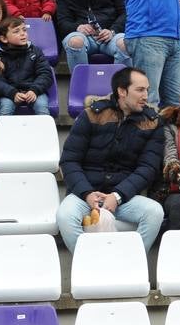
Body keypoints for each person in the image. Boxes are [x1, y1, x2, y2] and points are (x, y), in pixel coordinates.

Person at [55, 67, 166, 252]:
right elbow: (69, 161)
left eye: (147, 89)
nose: (146, 95)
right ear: (122, 91)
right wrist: (87, 193)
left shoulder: (152, 122)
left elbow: (148, 169)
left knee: (154, 212)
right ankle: (89, 265)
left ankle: (131, 265)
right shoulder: (91, 114)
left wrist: (117, 196)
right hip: (85, 194)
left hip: (123, 197)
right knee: (65, 215)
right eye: (140, 90)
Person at [0, 16, 53, 116]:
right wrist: (12, 93)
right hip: (9, 94)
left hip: (34, 91)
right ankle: (4, 132)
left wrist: (34, 90)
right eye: (16, 31)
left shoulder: (35, 51)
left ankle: (45, 131)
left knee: (41, 106)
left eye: (24, 30)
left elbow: (45, 74)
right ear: (4, 38)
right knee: (6, 107)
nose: (23, 34)